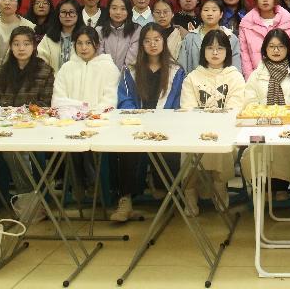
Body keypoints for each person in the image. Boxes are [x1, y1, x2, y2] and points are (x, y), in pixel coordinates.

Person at [113, 23, 187, 222]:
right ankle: (126, 199)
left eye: (157, 40)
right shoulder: (131, 71)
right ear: (141, 45)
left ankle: (167, 193)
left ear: (164, 42)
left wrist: (163, 121)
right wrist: (138, 119)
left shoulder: (176, 71)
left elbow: (178, 101)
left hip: (166, 125)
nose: (152, 44)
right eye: (147, 41)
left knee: (170, 147)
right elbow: (125, 100)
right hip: (137, 124)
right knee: (127, 148)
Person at [0, 27, 55, 210]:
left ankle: (28, 197)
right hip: (4, 126)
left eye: (26, 44)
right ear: (11, 46)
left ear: (34, 46)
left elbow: (45, 104)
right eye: (16, 44)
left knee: (12, 150)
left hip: (32, 126)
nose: (21, 48)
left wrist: (21, 113)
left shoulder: (45, 71)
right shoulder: (2, 71)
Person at [180, 31, 246, 215]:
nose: (215, 53)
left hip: (225, 130)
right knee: (189, 148)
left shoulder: (235, 77)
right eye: (210, 48)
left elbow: (235, 109)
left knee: (220, 146)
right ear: (203, 51)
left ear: (227, 52)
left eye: (220, 48)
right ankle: (190, 194)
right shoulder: (192, 77)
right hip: (196, 131)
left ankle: (220, 188)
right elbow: (188, 109)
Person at [242, 29, 290, 201]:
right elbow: (249, 103)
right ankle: (262, 185)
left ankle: (281, 186)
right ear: (265, 49)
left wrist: (285, 116)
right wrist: (266, 114)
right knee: (258, 148)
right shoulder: (256, 75)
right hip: (260, 127)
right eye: (271, 46)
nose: (276, 50)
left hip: (289, 129)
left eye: (281, 46)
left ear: (288, 49)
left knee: (282, 148)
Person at [52, 26, 120, 110]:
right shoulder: (66, 68)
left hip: (100, 117)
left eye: (88, 43)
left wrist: (92, 114)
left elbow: (110, 101)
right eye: (79, 43)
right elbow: (58, 100)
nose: (83, 48)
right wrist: (76, 113)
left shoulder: (109, 68)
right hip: (69, 117)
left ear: (97, 45)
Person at [238, 0, 290, 79]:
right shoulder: (246, 23)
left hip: (283, 76)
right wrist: (251, 79)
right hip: (255, 78)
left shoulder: (287, 21)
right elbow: (245, 55)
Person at [178, 0, 242, 74]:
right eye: (206, 10)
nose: (210, 14)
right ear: (200, 13)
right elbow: (182, 66)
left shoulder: (231, 38)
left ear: (221, 14)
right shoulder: (190, 38)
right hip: (194, 80)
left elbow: (236, 68)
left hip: (225, 80)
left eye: (214, 10)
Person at [37, 0, 84, 71]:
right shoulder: (48, 38)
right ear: (58, 15)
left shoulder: (85, 37)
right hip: (53, 77)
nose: (67, 16)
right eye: (63, 12)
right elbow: (41, 63)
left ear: (78, 14)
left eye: (71, 12)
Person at [98, 0, 141, 70]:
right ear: (108, 10)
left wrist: (122, 75)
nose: (118, 12)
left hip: (127, 74)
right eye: (114, 8)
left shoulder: (136, 30)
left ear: (128, 11)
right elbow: (100, 58)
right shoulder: (99, 30)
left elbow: (131, 61)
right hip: (105, 73)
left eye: (123, 9)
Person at [150, 0, 184, 65]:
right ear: (152, 15)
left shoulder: (181, 35)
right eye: (158, 12)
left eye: (165, 12)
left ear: (172, 14)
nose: (162, 15)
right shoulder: (148, 34)